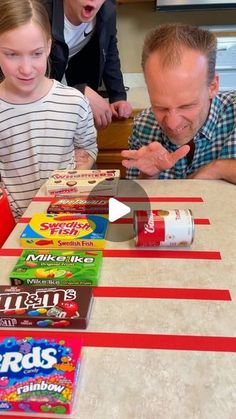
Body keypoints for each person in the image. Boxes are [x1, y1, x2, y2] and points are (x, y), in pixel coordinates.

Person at [0, 0, 98, 219]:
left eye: (36, 54)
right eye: (12, 54)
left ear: (48, 47)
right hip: (12, 226)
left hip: (65, 220)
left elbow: (88, 149)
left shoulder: (74, 103)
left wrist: (80, 171)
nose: (26, 68)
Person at [121, 23, 236, 184]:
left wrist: (219, 168)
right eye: (160, 107)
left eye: (186, 106)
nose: (173, 124)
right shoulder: (143, 126)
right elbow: (137, 197)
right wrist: (148, 176)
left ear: (213, 86)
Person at [41, 0, 133, 128]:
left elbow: (110, 49)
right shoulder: (39, 11)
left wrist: (118, 96)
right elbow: (26, 76)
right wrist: (79, 93)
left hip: (69, 93)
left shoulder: (107, 9)